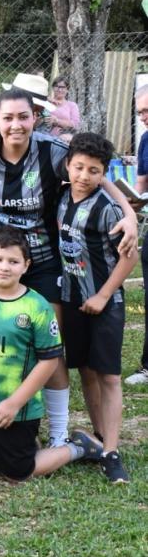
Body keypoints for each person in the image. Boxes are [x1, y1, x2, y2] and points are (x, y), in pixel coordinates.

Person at [0, 86, 139, 447]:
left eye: (23, 117)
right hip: (0, 264)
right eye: (7, 118)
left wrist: (128, 215)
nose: (16, 125)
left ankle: (59, 435)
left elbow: (95, 172)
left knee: (50, 348)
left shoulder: (53, 152)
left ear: (35, 118)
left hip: (44, 264)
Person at [0, 228, 103, 481]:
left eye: (13, 262)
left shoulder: (37, 306)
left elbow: (49, 362)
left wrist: (15, 403)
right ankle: (14, 447)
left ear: (26, 266)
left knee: (16, 473)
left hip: (21, 409)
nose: (4, 267)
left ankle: (78, 447)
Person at [56, 132, 134, 482]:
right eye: (79, 167)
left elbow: (128, 259)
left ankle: (113, 452)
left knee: (109, 375)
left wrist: (103, 294)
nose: (84, 176)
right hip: (72, 299)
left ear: (104, 172)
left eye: (94, 170)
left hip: (106, 302)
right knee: (85, 370)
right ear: (68, 165)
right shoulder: (60, 197)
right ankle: (102, 438)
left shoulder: (108, 209)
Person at [128, 85, 148, 387]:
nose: (144, 117)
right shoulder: (145, 139)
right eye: (140, 112)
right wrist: (129, 199)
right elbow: (141, 184)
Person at [42, 75, 80, 142]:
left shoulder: (72, 105)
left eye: (62, 87)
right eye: (56, 86)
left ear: (67, 89)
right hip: (44, 136)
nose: (59, 90)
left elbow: (75, 124)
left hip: (64, 139)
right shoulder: (45, 102)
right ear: (53, 88)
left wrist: (56, 121)